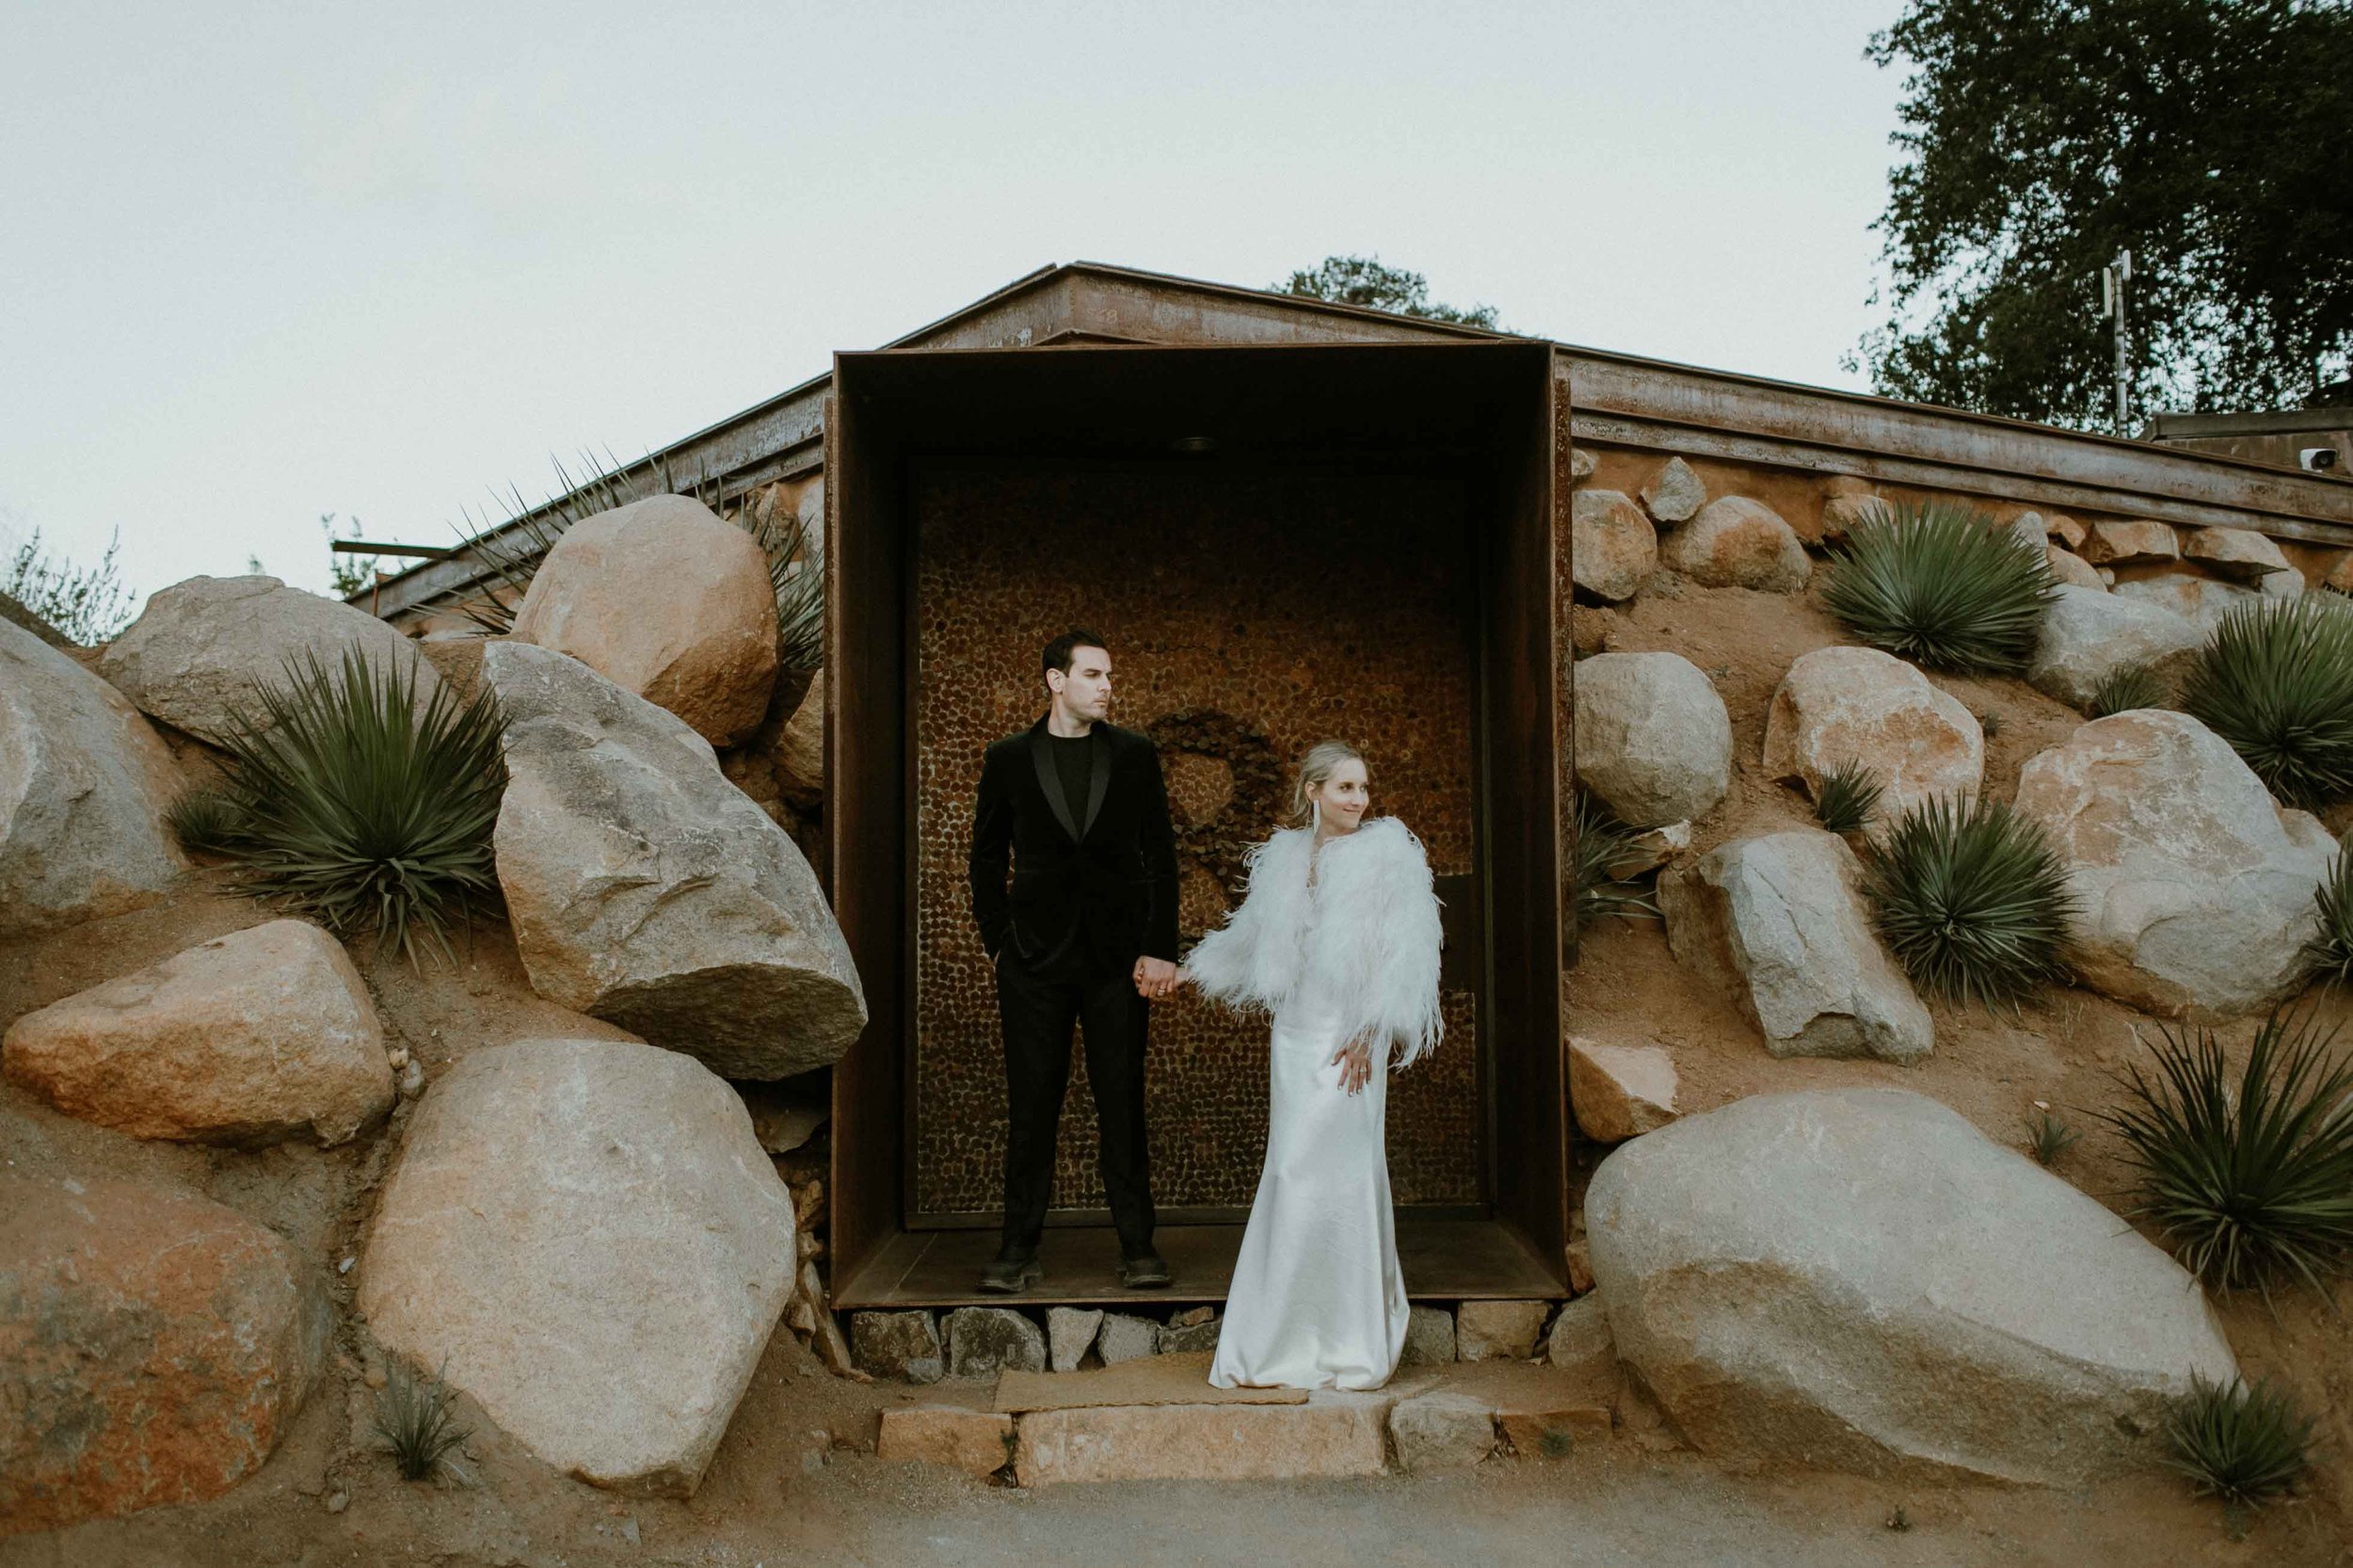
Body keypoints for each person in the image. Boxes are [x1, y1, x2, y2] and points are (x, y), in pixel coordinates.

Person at [1176, 740, 1444, 1390]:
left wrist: (1369, 1032)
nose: (1358, 800)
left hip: (1352, 1036)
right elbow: (1246, 940)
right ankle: (1277, 1337)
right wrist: (1183, 972)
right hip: (1296, 1033)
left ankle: (1350, 1337)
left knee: (1344, 1178)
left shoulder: (1390, 856)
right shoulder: (1285, 859)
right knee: (1292, 1173)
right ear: (1313, 791)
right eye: (1346, 787)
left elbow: (1408, 956)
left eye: (1363, 788)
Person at [968, 630, 1181, 1293]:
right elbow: (983, 858)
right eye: (1093, 674)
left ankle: (1139, 1246)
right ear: (1056, 681)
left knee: (1122, 1102)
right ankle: (1017, 1248)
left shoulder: (1135, 755)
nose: (1107, 685)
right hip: (1032, 963)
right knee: (1033, 1104)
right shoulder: (1007, 759)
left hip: (1118, 963)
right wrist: (1000, 943)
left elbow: (1160, 857)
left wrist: (1160, 948)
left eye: (1109, 675)